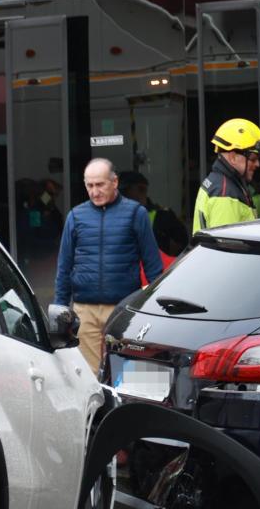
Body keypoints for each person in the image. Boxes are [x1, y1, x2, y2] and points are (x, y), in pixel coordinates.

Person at [54, 158, 163, 370]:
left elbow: (153, 267)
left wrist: (157, 309)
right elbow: (64, 266)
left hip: (123, 308)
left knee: (127, 369)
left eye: (100, 184)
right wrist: (59, 308)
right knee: (91, 374)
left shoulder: (135, 213)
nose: (94, 191)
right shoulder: (76, 216)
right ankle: (98, 405)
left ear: (114, 182)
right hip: (85, 310)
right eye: (89, 185)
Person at [194, 118, 260, 233]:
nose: (258, 164)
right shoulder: (225, 195)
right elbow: (226, 247)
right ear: (233, 157)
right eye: (253, 159)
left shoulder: (222, 183)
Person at [119, 171, 189, 257]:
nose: (121, 196)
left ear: (142, 189)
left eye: (125, 191)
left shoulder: (163, 217)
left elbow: (183, 247)